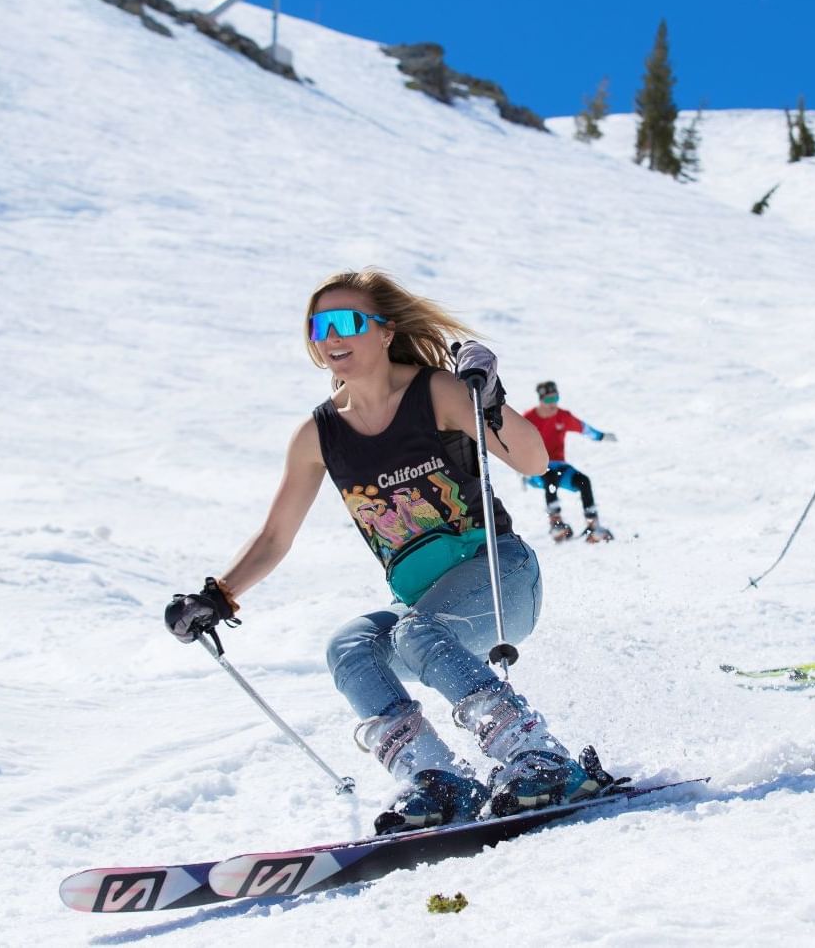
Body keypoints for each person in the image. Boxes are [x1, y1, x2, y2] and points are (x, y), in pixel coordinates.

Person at [163, 269, 612, 835]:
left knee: (414, 632)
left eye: (345, 321)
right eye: (316, 325)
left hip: (500, 579)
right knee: (349, 648)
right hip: (426, 612)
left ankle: (539, 757)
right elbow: (276, 535)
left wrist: (489, 399)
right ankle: (438, 779)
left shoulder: (437, 394)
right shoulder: (318, 436)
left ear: (384, 331)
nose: (329, 336)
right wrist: (217, 596)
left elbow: (532, 463)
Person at [522, 380, 618, 543]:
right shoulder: (528, 419)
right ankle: (556, 523)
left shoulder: (563, 416)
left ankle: (593, 525)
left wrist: (601, 436)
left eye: (555, 399)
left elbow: (583, 428)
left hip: (560, 466)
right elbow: (514, 441)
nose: (553, 404)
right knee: (550, 476)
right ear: (541, 400)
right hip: (537, 470)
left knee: (583, 481)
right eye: (548, 400)